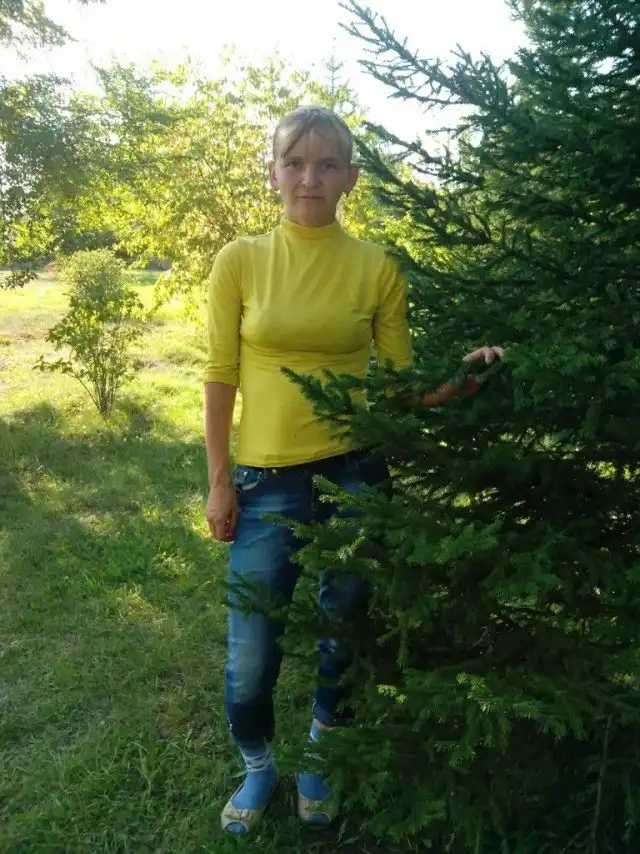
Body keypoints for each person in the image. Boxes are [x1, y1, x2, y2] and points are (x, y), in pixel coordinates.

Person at [203, 105, 503, 835]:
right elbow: (219, 374)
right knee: (250, 653)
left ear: (350, 178)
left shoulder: (377, 268)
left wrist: (458, 382)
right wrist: (218, 481)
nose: (310, 177)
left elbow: (399, 387)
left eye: (327, 164)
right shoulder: (239, 260)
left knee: (344, 629)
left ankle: (320, 755)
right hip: (265, 481)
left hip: (357, 476)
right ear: (273, 174)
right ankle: (258, 767)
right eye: (295, 163)